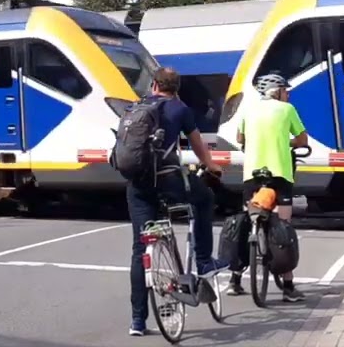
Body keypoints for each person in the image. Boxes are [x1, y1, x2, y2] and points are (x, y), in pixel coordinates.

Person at [124, 66, 229, 337]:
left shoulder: (135, 108)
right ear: (176, 88)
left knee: (140, 248)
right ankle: (204, 261)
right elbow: (197, 145)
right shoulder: (180, 109)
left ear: (154, 85)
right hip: (169, 181)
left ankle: (137, 321)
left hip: (138, 185)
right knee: (204, 198)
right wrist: (212, 166)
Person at [228, 72, 308, 303]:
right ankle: (289, 287)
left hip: (252, 176)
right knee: (284, 229)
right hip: (279, 176)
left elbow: (240, 139)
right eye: (285, 89)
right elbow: (302, 141)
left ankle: (235, 279)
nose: (288, 93)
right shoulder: (287, 110)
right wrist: (285, 141)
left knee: (246, 222)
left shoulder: (248, 110)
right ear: (277, 91)